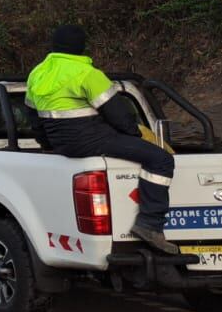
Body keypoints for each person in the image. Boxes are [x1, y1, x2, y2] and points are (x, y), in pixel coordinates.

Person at [27, 25, 177, 254]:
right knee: (161, 159)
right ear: (80, 47)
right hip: (92, 139)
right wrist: (135, 136)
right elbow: (118, 115)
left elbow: (34, 118)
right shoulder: (88, 74)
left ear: (55, 46)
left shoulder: (37, 73)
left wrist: (48, 144)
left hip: (62, 143)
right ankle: (150, 225)